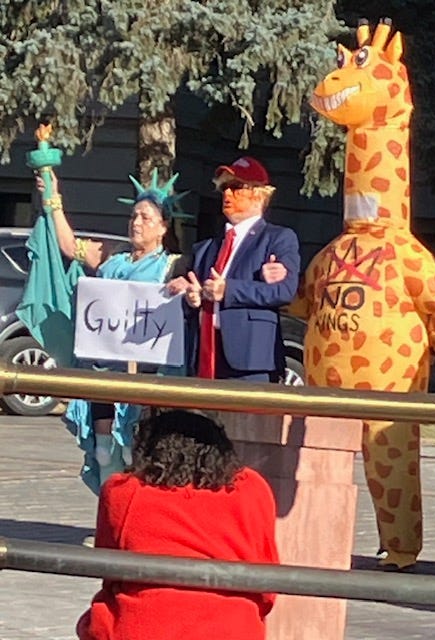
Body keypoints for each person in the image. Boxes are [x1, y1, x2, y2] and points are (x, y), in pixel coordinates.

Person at [34, 169, 191, 494]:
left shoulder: (173, 265)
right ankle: (108, 501)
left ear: (163, 226)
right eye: (134, 216)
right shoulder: (113, 257)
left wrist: (184, 286)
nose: (136, 223)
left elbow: (193, 293)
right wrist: (52, 196)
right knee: (105, 457)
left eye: (146, 218)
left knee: (139, 457)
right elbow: (69, 245)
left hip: (145, 380)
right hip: (105, 376)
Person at [76, 408, 279, 640]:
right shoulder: (252, 488)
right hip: (232, 627)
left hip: (142, 626)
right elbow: (267, 581)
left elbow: (108, 569)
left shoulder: (123, 490)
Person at [184, 156, 300, 381]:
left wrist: (229, 290)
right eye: (224, 188)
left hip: (251, 359)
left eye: (236, 187)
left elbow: (284, 291)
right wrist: (191, 299)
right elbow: (192, 295)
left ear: (259, 195)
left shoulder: (277, 238)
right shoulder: (206, 248)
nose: (227, 194)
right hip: (206, 354)